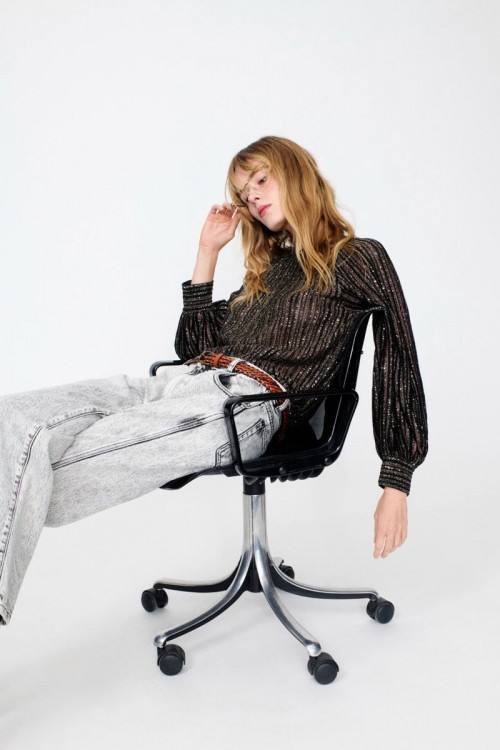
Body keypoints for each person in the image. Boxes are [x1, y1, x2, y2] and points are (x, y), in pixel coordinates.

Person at [0, 135, 428, 627]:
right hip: (179, 383)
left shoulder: (359, 258)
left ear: (297, 174)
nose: (253, 196)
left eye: (261, 179)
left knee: (36, 473)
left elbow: (399, 355)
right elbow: (193, 346)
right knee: (12, 422)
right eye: (245, 192)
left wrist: (396, 481)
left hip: (245, 405)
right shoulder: (267, 272)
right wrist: (207, 251)